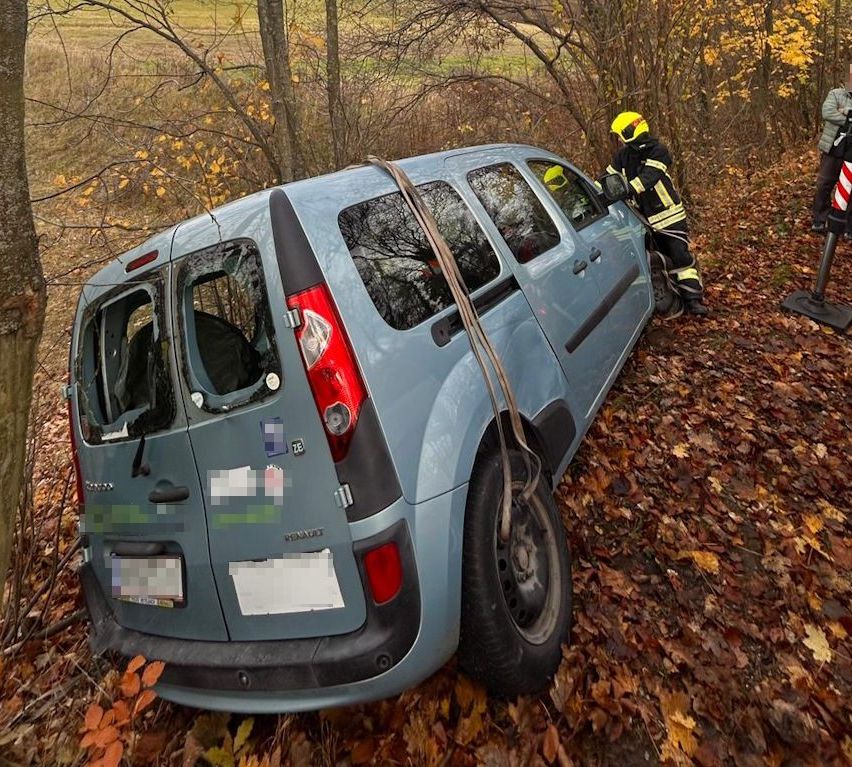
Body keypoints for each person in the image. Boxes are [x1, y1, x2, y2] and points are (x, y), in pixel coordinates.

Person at [606, 111, 709, 316]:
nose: (619, 139)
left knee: (680, 256)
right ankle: (668, 297)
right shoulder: (622, 156)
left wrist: (627, 189)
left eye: (620, 134)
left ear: (629, 132)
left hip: (669, 216)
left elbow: (649, 177)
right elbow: (608, 178)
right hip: (643, 220)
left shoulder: (658, 150)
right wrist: (597, 192)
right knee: (656, 260)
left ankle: (693, 299)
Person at [812, 63, 852, 239]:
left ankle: (848, 226)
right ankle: (820, 219)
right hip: (833, 148)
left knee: (850, 189)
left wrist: (845, 112)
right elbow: (827, 112)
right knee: (824, 184)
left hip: (851, 152)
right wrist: (849, 118)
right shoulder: (836, 94)